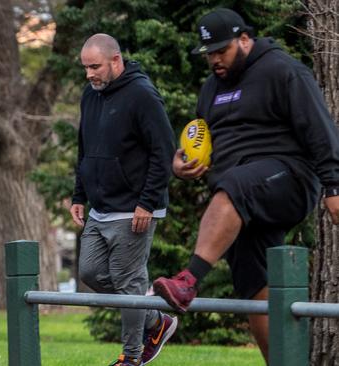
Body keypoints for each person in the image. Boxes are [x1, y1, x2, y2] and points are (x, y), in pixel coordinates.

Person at [152, 8, 339, 362]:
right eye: (209, 53)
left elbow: (321, 130)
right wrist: (184, 164)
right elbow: (203, 138)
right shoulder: (211, 88)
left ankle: (189, 279)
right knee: (255, 287)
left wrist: (333, 187)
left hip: (289, 178)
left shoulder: (283, 71)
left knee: (236, 186)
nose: (215, 60)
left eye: (221, 50)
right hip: (240, 200)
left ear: (244, 39)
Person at [70, 33, 177, 366]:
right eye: (86, 67)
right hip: (101, 207)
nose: (90, 74)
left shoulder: (142, 95)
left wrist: (147, 201)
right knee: (89, 271)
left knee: (129, 283)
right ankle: (156, 322)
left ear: (115, 60)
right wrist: (79, 194)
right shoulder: (91, 95)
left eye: (95, 67)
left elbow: (164, 152)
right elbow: (85, 149)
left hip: (134, 208)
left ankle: (131, 358)